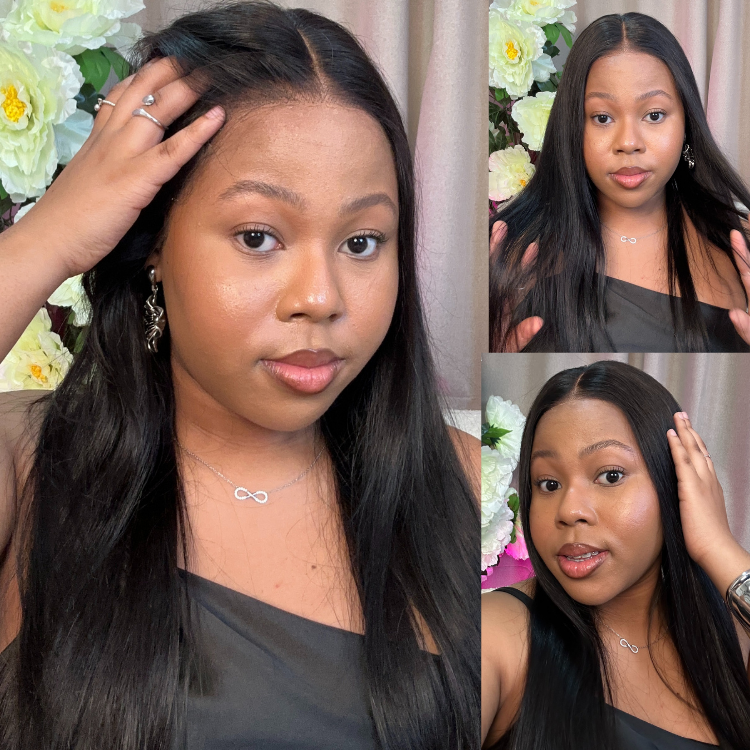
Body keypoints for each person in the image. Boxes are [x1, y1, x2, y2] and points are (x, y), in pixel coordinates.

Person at [0, 3, 480, 748]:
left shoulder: (468, 485)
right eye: (259, 237)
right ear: (152, 243)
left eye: (362, 242)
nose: (320, 298)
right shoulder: (28, 463)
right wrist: (48, 239)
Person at [481, 361, 750, 749]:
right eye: (549, 483)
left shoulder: (727, 636)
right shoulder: (499, 633)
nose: (569, 510)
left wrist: (718, 547)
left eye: (610, 475)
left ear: (675, 483)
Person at [489, 13, 750, 353]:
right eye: (602, 117)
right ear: (573, 127)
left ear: (687, 124)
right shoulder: (511, 253)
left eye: (654, 115)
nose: (628, 143)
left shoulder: (740, 246)